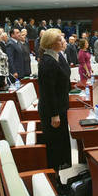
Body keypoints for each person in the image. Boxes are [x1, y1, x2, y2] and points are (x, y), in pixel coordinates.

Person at [37, 29, 72, 185]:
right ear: (51, 43)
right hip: (52, 110)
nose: (63, 41)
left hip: (60, 105)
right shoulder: (47, 62)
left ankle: (58, 175)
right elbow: (48, 92)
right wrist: (54, 114)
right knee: (54, 145)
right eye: (59, 40)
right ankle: (54, 180)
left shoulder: (58, 56)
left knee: (61, 143)